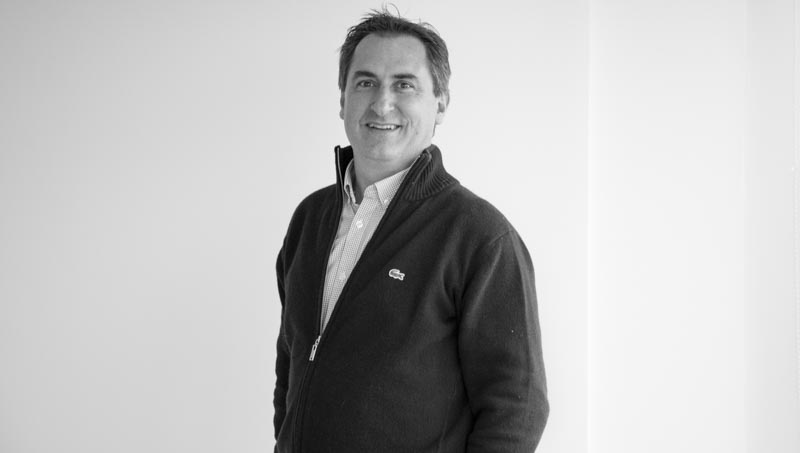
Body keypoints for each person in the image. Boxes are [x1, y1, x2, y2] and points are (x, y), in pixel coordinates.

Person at [273, 9, 548, 452]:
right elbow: (292, 362)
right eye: (365, 82)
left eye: (404, 85)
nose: (382, 104)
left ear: (440, 103)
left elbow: (518, 407)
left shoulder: (480, 237)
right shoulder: (309, 219)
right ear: (343, 99)